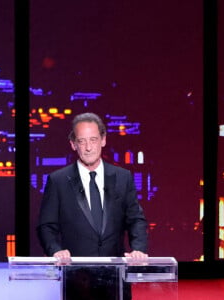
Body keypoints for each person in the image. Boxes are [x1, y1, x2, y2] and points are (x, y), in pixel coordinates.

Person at [37, 112, 148, 299]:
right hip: (77, 279)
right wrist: (56, 250)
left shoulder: (122, 177)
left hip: (115, 279)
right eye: (82, 141)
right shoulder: (58, 181)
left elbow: (136, 219)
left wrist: (138, 249)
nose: (88, 148)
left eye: (93, 140)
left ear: (103, 140)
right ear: (73, 144)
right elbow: (46, 225)